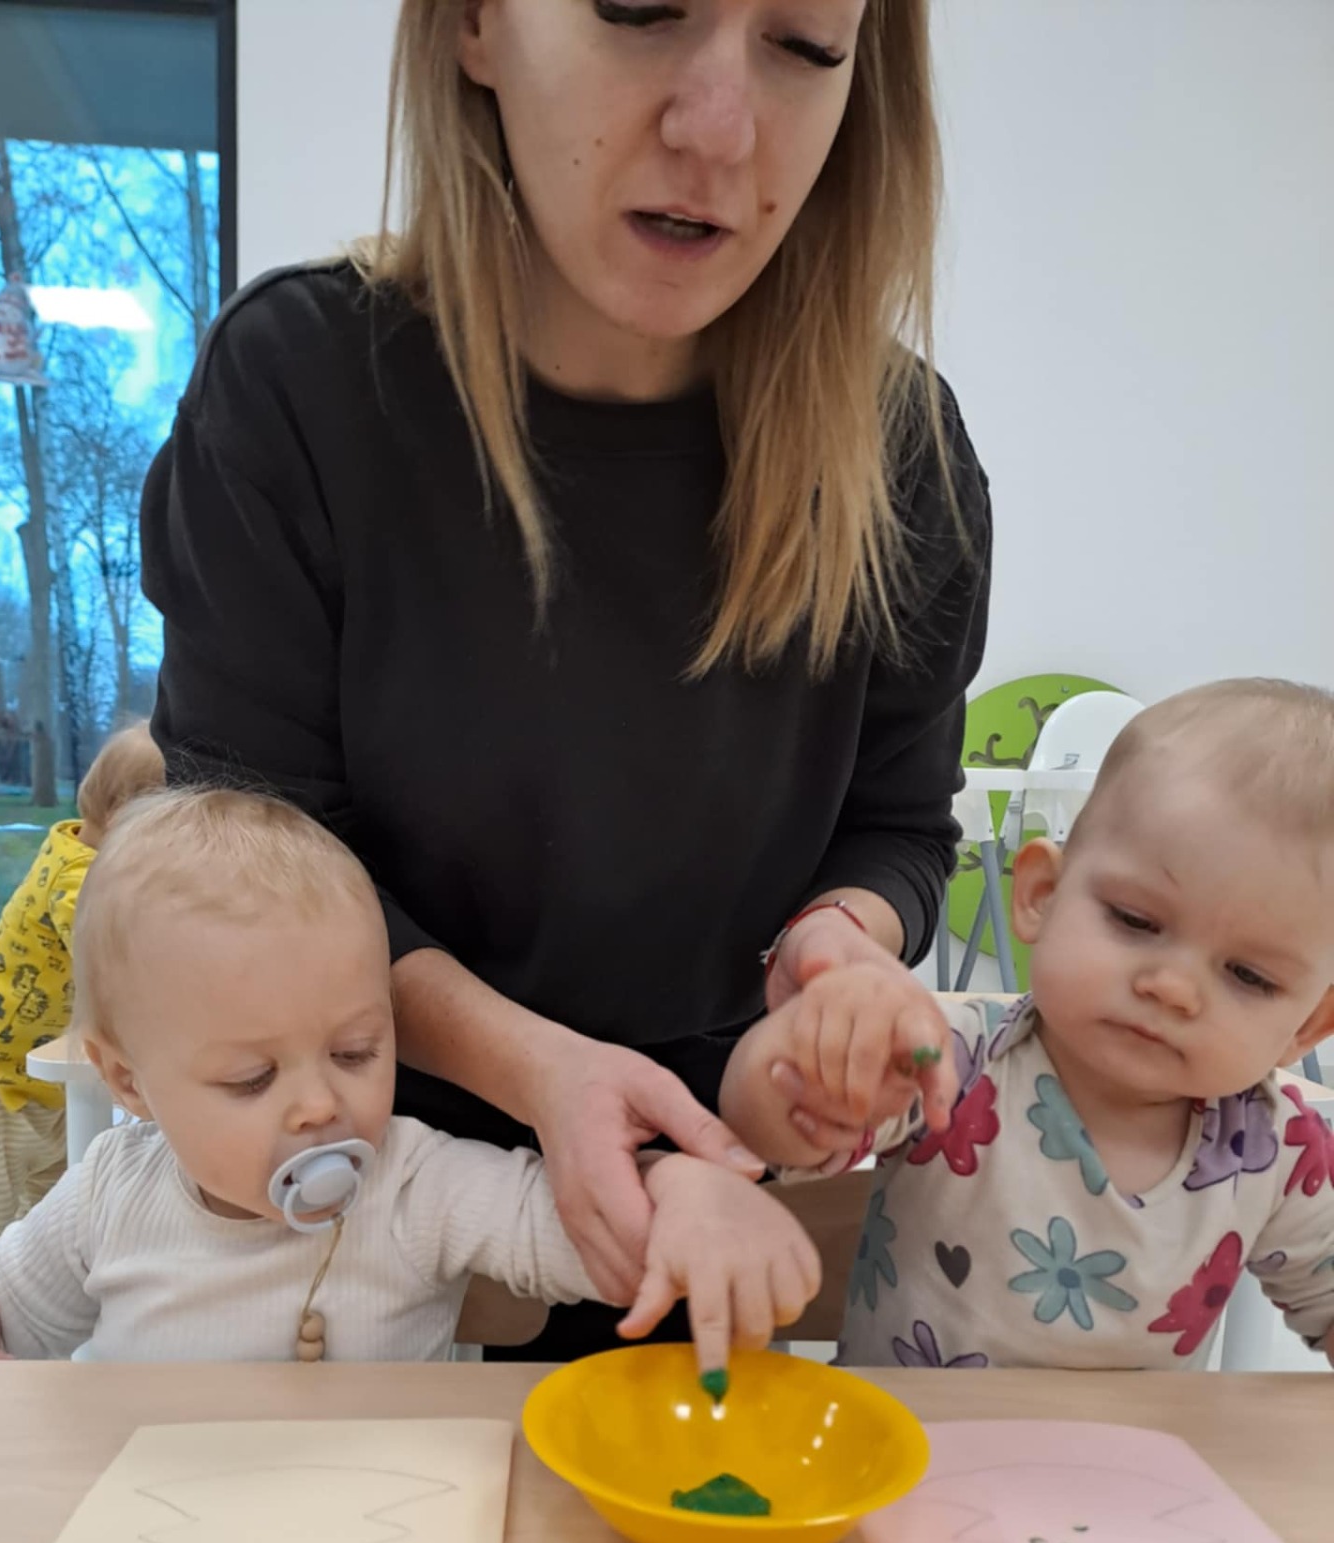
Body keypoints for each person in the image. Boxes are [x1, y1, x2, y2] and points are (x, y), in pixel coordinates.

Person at [142, 0, 988, 1358]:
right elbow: (256, 856)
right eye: (640, 9)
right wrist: (537, 1071)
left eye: (807, 47)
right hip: (355, 1217)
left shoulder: (905, 457)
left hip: (700, 1210)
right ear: (476, 25)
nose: (721, 130)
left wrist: (841, 940)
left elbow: (895, 824)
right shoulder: (297, 388)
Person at [0, 788, 820, 1415]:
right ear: (130, 1081)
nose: (316, 1106)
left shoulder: (414, 1183)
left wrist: (685, 1193)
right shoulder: (110, 1192)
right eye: (251, 1079)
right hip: (155, 1541)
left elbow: (586, 1221)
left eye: (354, 1052)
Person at [720, 679, 1334, 1369]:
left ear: (1307, 1024)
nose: (1173, 989)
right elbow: (772, 1130)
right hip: (911, 1435)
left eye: (1248, 975)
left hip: (1131, 1444)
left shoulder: (1279, 1149)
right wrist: (803, 1055)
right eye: (1136, 921)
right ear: (1042, 894)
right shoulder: (951, 1055)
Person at [0, 722, 165, 1259]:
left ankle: (32, 1301)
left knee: (51, 1224)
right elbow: (118, 962)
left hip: (37, 1082)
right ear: (125, 817)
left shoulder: (92, 859)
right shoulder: (78, 877)